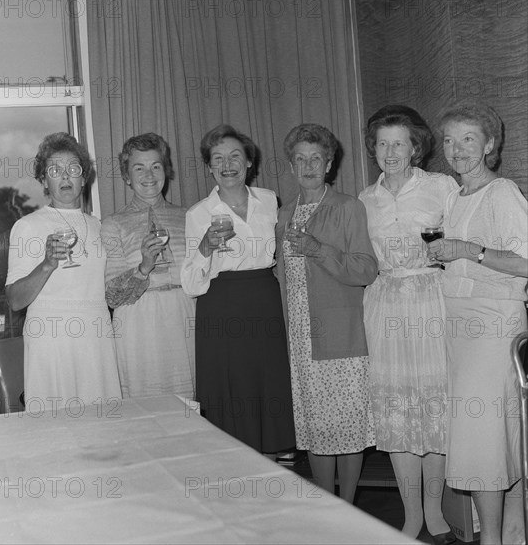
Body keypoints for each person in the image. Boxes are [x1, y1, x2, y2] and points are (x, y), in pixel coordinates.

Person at [428, 101, 528, 545]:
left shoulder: (502, 192)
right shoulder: (454, 195)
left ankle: (491, 540)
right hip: (459, 325)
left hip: (493, 327)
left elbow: (526, 261)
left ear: (489, 144)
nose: (457, 148)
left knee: (486, 438)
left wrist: (467, 251)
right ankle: (508, 536)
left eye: (469, 138)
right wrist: (443, 257)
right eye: (449, 140)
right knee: (492, 437)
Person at [359, 106, 458, 542]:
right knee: (397, 411)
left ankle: (435, 513)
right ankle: (411, 514)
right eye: (382, 143)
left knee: (434, 407)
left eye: (399, 142)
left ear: (416, 145)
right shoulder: (365, 198)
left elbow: (466, 240)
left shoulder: (441, 186)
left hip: (433, 300)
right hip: (386, 306)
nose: (390, 151)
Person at [275, 123, 378, 502]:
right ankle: (326, 504)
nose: (308, 166)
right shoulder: (284, 214)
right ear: (290, 166)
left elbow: (365, 268)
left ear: (330, 164)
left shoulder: (348, 207)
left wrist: (318, 249)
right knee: (315, 425)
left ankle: (347, 505)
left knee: (347, 425)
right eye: (300, 159)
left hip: (341, 333)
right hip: (301, 336)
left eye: (316, 158)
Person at [181, 124, 295, 456]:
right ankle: (238, 478)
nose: (227, 165)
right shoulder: (198, 213)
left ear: (249, 162)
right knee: (233, 397)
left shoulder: (270, 200)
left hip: (265, 299)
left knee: (270, 388)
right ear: (209, 166)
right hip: (221, 306)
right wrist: (204, 247)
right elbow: (190, 283)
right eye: (218, 158)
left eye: (235, 156)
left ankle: (276, 474)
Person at [5, 132, 121, 411]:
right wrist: (46, 264)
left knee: (102, 427)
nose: (66, 176)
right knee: (55, 430)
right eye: (55, 170)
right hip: (51, 341)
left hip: (96, 339)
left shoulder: (99, 227)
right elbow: (15, 300)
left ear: (85, 177)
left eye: (73, 169)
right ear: (44, 181)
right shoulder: (28, 226)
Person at [100, 133, 195, 399]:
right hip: (137, 322)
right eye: (138, 168)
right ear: (127, 176)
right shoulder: (112, 225)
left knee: (189, 406)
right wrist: (143, 267)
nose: (149, 175)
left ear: (166, 170)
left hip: (184, 316)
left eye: (155, 166)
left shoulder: (190, 217)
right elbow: (112, 295)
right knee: (146, 409)